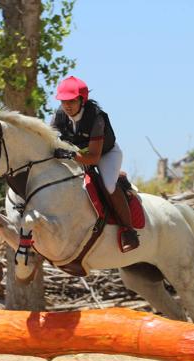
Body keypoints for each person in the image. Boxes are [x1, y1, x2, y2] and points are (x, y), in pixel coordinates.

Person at [51, 76, 139, 252]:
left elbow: (92, 158)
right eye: (63, 101)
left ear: (82, 100)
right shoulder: (59, 116)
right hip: (78, 154)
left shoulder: (97, 119)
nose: (67, 106)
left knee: (108, 186)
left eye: (72, 101)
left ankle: (129, 231)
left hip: (105, 154)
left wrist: (70, 154)